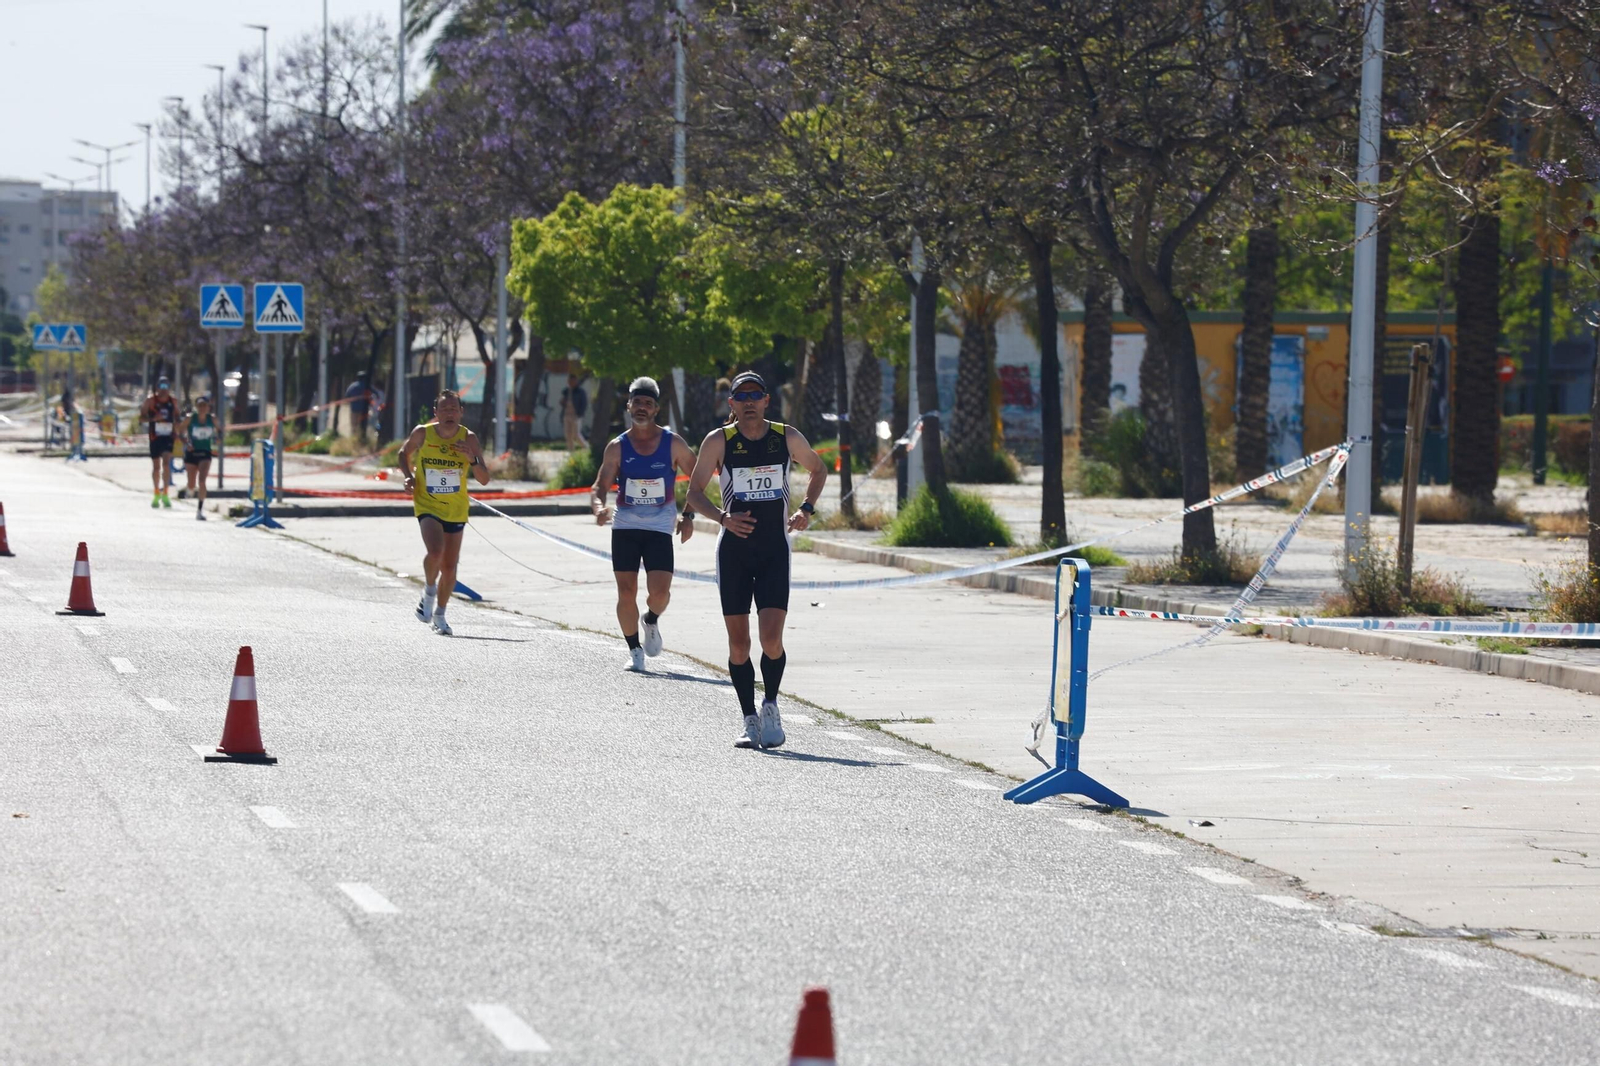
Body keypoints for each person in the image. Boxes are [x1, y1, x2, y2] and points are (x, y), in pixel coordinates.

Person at [685, 371, 827, 749]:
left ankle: (771, 706)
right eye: (741, 396)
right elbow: (694, 492)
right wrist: (722, 518)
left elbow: (819, 468)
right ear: (731, 404)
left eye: (755, 395)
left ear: (766, 400)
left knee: (772, 640)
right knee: (738, 645)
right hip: (733, 553)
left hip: (773, 551)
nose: (749, 402)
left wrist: (806, 509)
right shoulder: (719, 441)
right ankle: (748, 717)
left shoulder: (786, 437)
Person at [591, 377, 698, 672]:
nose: (641, 408)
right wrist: (599, 508)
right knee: (626, 592)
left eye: (647, 404)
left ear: (656, 410)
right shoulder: (617, 447)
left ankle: (651, 619)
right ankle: (634, 649)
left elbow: (698, 477)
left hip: (659, 528)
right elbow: (599, 486)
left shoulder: (673, 443)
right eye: (637, 402)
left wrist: (688, 515)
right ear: (628, 406)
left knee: (660, 594)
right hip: (625, 526)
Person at [398, 389, 491, 636]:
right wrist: (408, 478)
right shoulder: (423, 433)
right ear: (435, 412)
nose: (449, 413)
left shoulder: (468, 438)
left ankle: (440, 614)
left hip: (456, 507)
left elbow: (484, 479)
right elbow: (403, 454)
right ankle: (429, 591)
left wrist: (472, 459)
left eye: (454, 409)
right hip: (427, 503)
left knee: (450, 568)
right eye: (444, 409)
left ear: (461, 412)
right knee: (435, 551)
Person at [140, 378, 178, 508]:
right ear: (157, 388)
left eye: (166, 386)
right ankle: (156, 492)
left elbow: (177, 417)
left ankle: (166, 493)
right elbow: (141, 418)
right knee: (156, 467)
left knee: (167, 464)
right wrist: (153, 419)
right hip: (155, 436)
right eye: (161, 386)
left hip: (168, 436)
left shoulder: (173, 401)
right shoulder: (150, 401)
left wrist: (178, 431)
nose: (163, 389)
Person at [179, 395, 218, 521]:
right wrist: (186, 443)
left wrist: (218, 440)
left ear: (208, 407)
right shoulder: (190, 418)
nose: (202, 408)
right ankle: (189, 489)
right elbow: (180, 432)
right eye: (200, 406)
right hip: (192, 452)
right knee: (191, 484)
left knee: (202, 481)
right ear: (196, 407)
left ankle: (200, 510)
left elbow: (221, 431)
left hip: (205, 452)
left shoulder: (212, 419)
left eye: (204, 406)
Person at [560, 373, 588, 451]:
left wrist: (580, 414)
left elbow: (584, 403)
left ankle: (586, 447)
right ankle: (571, 452)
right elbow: (563, 402)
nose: (571, 382)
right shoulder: (566, 391)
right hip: (567, 414)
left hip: (576, 415)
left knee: (576, 435)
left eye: (573, 381)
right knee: (568, 435)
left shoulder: (580, 391)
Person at [345, 373, 372, 442]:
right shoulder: (367, 386)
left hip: (354, 409)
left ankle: (353, 439)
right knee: (362, 426)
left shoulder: (352, 386)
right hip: (363, 410)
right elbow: (373, 394)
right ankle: (361, 439)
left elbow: (347, 395)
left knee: (354, 425)